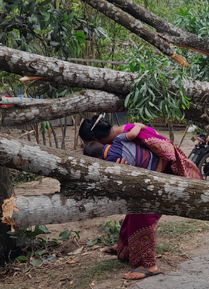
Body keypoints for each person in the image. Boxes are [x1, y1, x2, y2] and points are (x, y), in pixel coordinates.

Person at [79, 115, 201, 280]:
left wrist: (150, 177)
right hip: (143, 179)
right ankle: (125, 247)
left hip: (163, 177)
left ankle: (148, 264)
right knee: (133, 210)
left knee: (144, 215)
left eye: (89, 144)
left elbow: (166, 152)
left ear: (95, 139)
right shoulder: (123, 137)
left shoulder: (136, 134)